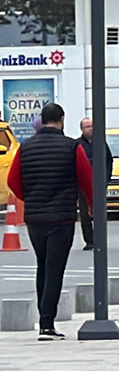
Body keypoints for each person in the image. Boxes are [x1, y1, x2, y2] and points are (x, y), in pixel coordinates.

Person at [7, 103, 93, 340]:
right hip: (62, 217)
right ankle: (47, 324)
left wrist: (31, 197)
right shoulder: (72, 147)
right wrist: (93, 207)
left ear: (41, 120)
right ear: (62, 120)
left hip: (35, 217)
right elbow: (87, 179)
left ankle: (44, 320)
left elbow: (13, 181)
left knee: (42, 265)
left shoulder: (25, 148)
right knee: (55, 269)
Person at [76, 117, 113, 251]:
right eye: (87, 127)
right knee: (85, 214)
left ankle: (99, 240)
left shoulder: (101, 143)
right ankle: (89, 241)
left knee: (99, 213)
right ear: (82, 129)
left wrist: (106, 179)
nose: (91, 129)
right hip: (83, 186)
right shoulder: (78, 144)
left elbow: (109, 161)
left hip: (99, 184)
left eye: (92, 126)